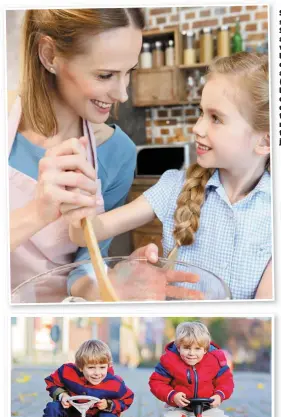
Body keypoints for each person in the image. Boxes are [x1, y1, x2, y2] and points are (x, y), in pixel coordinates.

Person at [66, 52, 272, 300]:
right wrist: (81, 209)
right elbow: (82, 235)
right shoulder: (174, 186)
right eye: (201, 112)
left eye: (216, 118)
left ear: (264, 140)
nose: (197, 127)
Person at [9, 8, 176, 302]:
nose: (123, 94)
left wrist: (110, 285)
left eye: (129, 72)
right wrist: (38, 212)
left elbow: (83, 267)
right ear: (49, 55)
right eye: (105, 75)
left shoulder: (118, 152)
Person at [145, 322, 258, 417]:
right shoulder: (169, 360)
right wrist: (172, 395)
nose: (192, 353)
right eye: (186, 348)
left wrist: (219, 395)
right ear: (178, 347)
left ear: (205, 349)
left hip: (208, 408)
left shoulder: (215, 360)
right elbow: (156, 382)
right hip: (181, 410)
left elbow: (226, 381)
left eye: (197, 349)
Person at [32, 339, 146, 417]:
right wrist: (62, 395)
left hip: (98, 414)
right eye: (91, 368)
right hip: (72, 411)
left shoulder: (115, 384)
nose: (97, 373)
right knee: (52, 409)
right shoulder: (67, 372)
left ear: (108, 366)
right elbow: (51, 381)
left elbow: (128, 398)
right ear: (81, 367)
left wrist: (109, 404)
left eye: (102, 367)